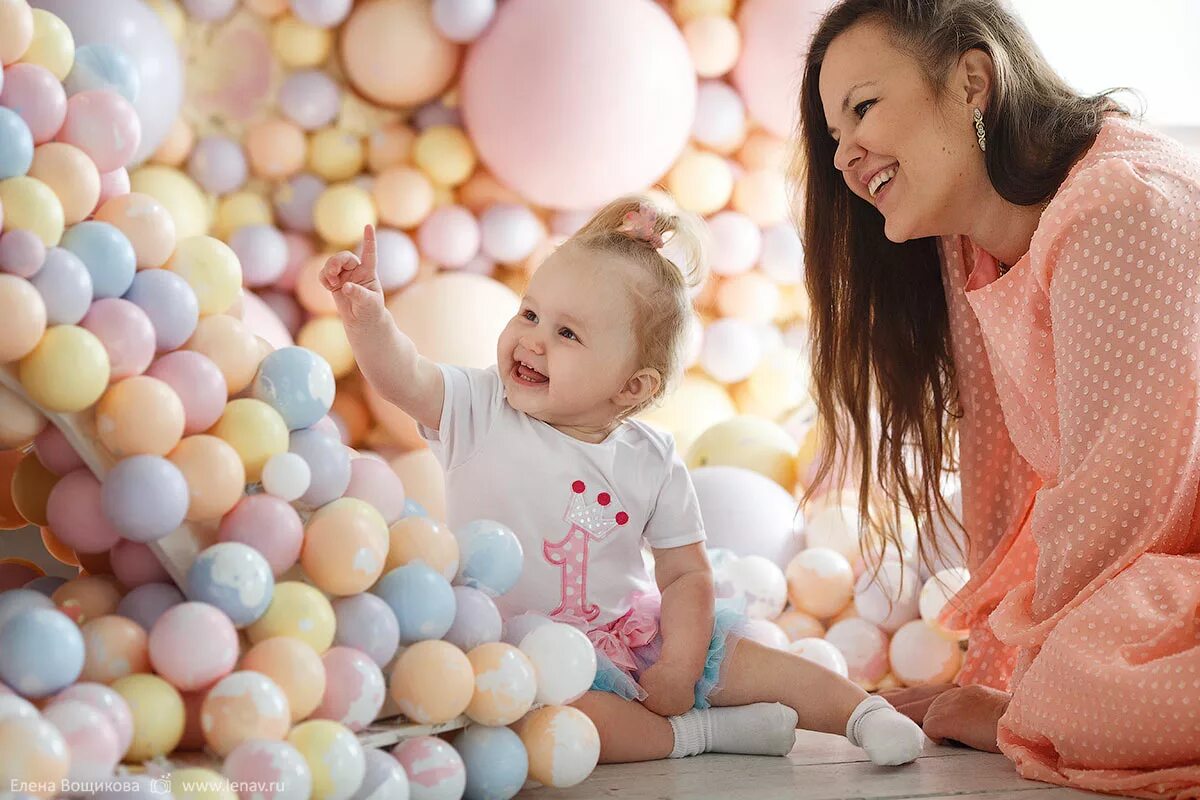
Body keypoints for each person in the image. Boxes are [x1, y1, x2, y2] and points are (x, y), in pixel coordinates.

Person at [322, 197, 925, 766]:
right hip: (512, 648)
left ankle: (862, 714)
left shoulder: (651, 458)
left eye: (567, 334)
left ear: (632, 387)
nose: (532, 338)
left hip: (627, 629)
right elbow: (405, 378)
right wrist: (368, 318)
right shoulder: (478, 407)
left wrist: (681, 664)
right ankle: (702, 735)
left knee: (762, 666)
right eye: (530, 313)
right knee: (556, 719)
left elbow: (686, 573)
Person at [796, 0, 1200, 795]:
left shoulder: (1120, 204)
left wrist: (1029, 700)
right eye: (833, 136)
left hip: (1163, 573)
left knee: (1093, 693)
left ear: (972, 80)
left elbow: (1129, 509)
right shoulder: (974, 249)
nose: (845, 155)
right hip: (1160, 589)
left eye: (863, 108)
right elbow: (1005, 490)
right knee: (1079, 684)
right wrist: (1002, 673)